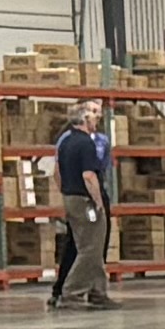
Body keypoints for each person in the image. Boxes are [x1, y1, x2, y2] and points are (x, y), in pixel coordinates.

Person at [45, 106, 113, 309]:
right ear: (84, 119)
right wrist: (98, 200)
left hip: (71, 198)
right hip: (86, 202)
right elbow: (89, 176)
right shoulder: (86, 143)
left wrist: (66, 191)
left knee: (92, 247)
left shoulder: (65, 141)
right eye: (93, 115)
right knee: (91, 249)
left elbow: (56, 172)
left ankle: (98, 291)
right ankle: (71, 293)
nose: (97, 118)